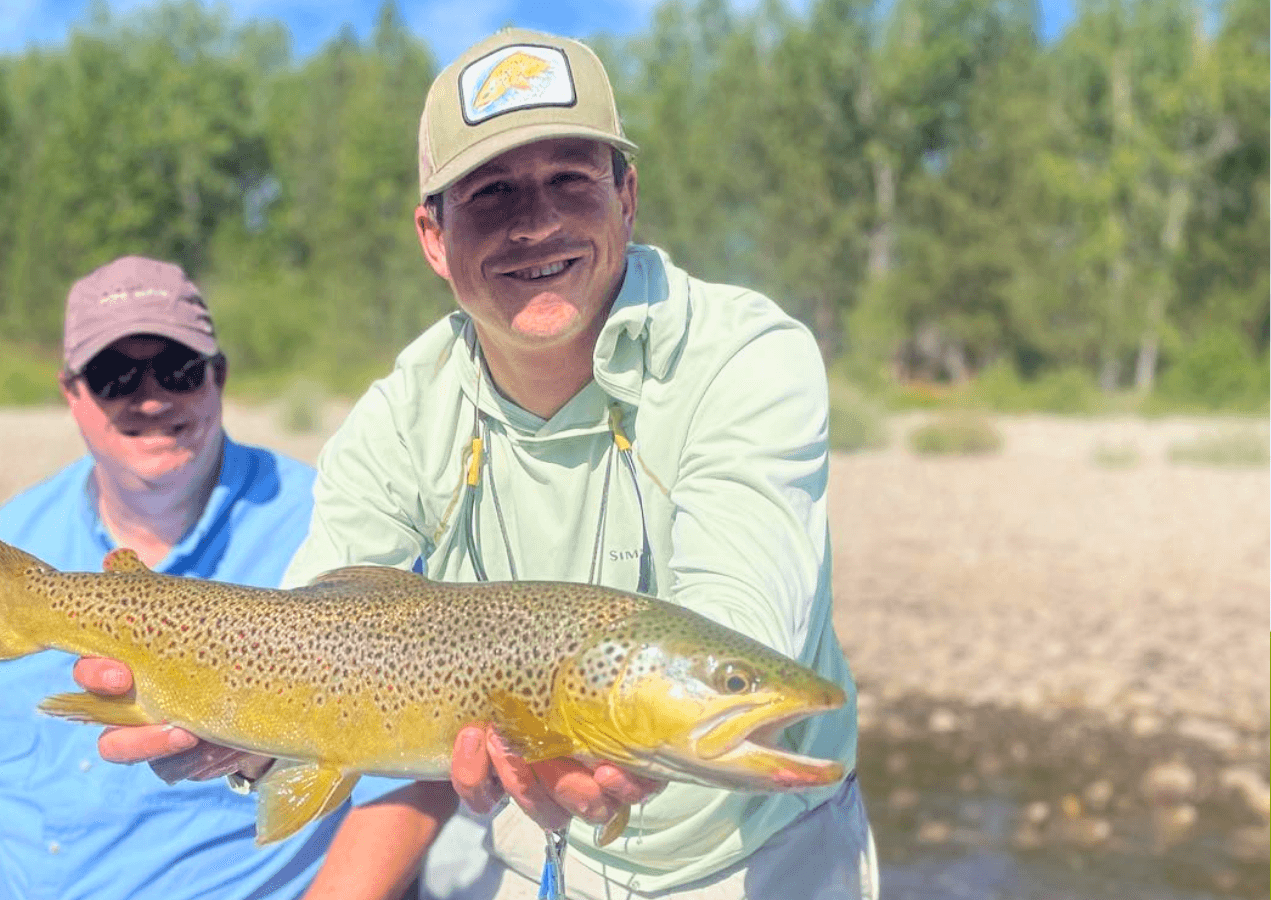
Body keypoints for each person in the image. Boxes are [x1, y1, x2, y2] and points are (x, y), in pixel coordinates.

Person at [78, 26, 875, 900]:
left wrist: (663, 721)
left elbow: (744, 600)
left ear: (627, 195)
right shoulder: (398, 418)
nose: (535, 223)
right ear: (432, 234)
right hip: (534, 853)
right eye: (490, 191)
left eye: (570, 178)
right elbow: (310, 632)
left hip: (770, 855)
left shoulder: (747, 354)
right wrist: (245, 739)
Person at [0, 256, 363, 900]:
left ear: (219, 377)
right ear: (72, 393)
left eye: (179, 370)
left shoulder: (335, 528)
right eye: (115, 376)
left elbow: (401, 777)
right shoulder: (15, 542)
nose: (152, 397)